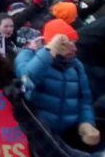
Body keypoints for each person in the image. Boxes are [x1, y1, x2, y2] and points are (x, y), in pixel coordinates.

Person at [16, 19, 98, 147]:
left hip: (67, 137)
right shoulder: (28, 56)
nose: (75, 48)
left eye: (74, 43)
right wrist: (48, 53)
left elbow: (85, 99)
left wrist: (86, 122)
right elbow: (26, 84)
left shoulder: (76, 66)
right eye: (69, 43)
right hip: (37, 135)